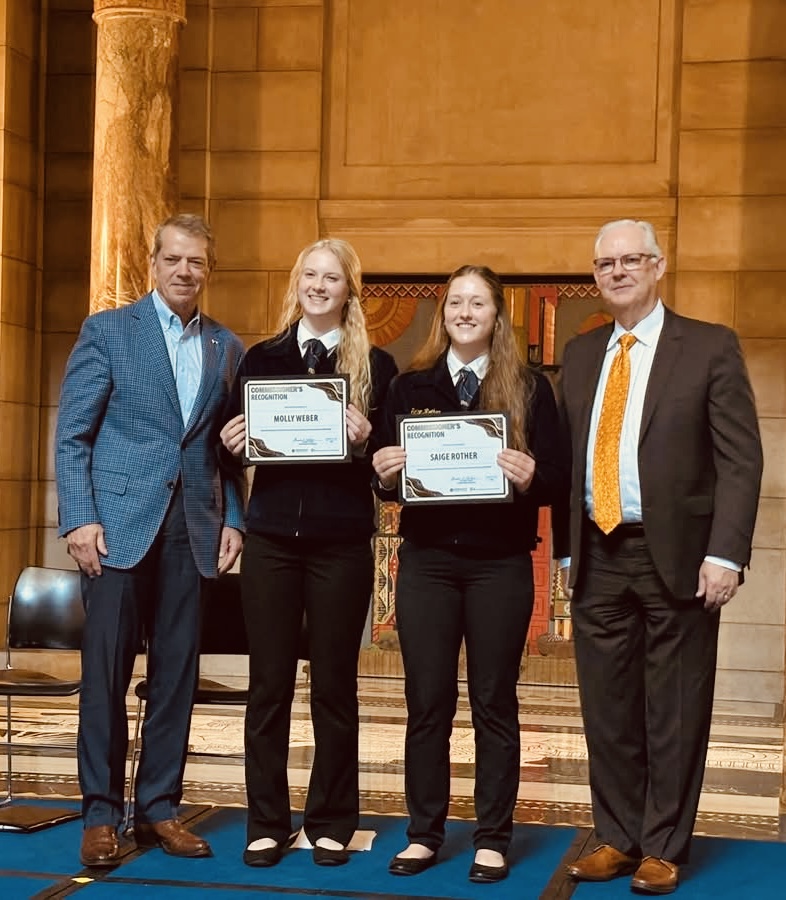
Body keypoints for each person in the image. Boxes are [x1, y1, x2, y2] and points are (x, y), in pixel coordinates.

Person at [556, 220, 763, 894]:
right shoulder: (582, 355)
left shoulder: (708, 347)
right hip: (598, 553)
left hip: (677, 555)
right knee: (607, 707)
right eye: (604, 263)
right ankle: (618, 836)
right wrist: (564, 551)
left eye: (630, 259)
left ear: (658, 264)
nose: (617, 271)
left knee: (674, 705)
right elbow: (564, 464)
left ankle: (665, 846)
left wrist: (726, 553)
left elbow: (740, 461)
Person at [55, 214, 246, 867]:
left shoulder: (228, 347)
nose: (185, 271)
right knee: (105, 675)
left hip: (192, 532)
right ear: (154, 264)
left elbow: (232, 453)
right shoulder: (108, 331)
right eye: (174, 259)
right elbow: (73, 434)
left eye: (197, 262)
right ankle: (101, 815)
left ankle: (159, 810)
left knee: (175, 679)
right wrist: (79, 518)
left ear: (207, 270)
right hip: (114, 532)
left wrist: (236, 522)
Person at [372, 265, 566, 884]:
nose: (464, 310)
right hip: (427, 563)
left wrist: (532, 475)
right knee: (426, 702)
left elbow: (560, 480)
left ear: (495, 314)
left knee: (493, 702)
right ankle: (424, 834)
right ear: (443, 313)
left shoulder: (531, 389)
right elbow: (382, 476)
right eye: (455, 301)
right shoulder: (410, 387)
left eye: (477, 302)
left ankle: (491, 838)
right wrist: (381, 471)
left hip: (500, 566)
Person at [219, 238, 397, 868]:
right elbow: (232, 456)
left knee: (334, 687)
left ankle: (330, 822)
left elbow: (390, 475)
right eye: (311, 275)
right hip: (270, 542)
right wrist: (233, 442)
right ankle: (265, 821)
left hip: (342, 545)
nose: (320, 286)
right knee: (267, 686)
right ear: (296, 283)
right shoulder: (260, 358)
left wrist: (367, 439)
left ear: (350, 290)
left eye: (333, 278)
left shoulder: (377, 366)